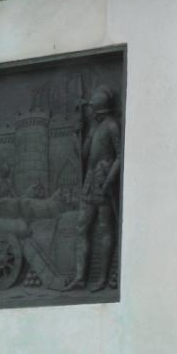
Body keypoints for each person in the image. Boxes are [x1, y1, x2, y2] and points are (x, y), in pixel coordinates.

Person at [67, 85, 120, 292]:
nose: (88, 111)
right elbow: (82, 155)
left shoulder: (112, 126)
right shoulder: (94, 128)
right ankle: (80, 277)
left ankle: (103, 278)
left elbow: (119, 156)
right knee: (82, 227)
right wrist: (76, 133)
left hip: (104, 181)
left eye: (91, 108)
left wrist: (109, 180)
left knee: (105, 228)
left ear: (98, 109)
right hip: (90, 182)